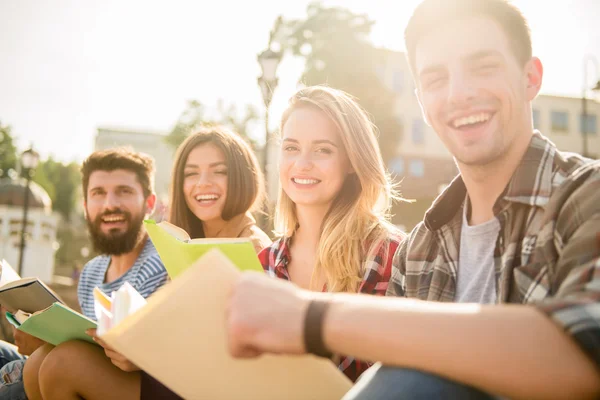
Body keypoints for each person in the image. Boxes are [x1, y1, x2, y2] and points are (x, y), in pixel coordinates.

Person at [224, 0, 600, 399]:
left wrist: (309, 318)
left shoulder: (585, 197)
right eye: (436, 79)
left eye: (483, 67)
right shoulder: (421, 249)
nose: (459, 93)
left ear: (530, 77)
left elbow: (586, 350)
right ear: (421, 99)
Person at [32, 126, 272, 399]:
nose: (202, 182)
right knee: (39, 362)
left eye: (219, 171)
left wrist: (147, 356)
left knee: (64, 364)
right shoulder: (185, 240)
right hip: (172, 370)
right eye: (191, 173)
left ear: (243, 178)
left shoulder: (254, 248)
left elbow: (234, 353)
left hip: (209, 387)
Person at [258, 85, 404, 381]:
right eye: (291, 148)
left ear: (352, 161)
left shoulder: (392, 254)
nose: (302, 163)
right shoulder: (265, 262)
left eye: (323, 149)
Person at [0, 148, 169, 400]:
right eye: (98, 193)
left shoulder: (161, 264)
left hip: (141, 385)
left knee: (49, 364)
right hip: (62, 374)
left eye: (124, 191)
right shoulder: (92, 271)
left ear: (149, 204)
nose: (110, 204)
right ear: (86, 205)